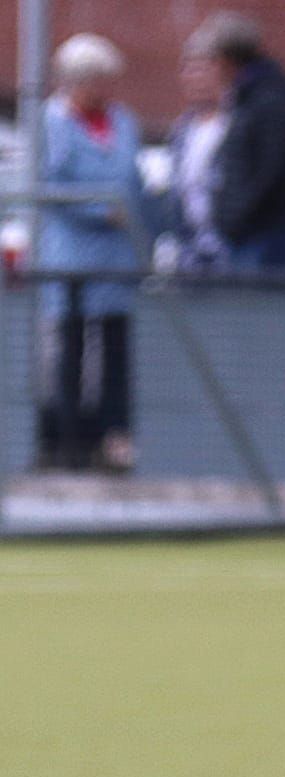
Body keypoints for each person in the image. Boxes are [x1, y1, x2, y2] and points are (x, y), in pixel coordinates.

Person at [38, 33, 144, 472]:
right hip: (72, 257)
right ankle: (68, 443)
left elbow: (134, 179)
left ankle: (113, 436)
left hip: (118, 256)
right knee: (72, 350)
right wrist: (100, 209)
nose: (105, 89)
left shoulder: (123, 120)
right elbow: (50, 185)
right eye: (97, 80)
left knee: (117, 347)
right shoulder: (51, 122)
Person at [192, 12, 285, 271]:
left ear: (226, 59)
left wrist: (236, 217)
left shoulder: (266, 99)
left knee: (257, 297)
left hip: (262, 233)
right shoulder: (248, 96)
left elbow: (269, 169)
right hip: (251, 231)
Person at [165, 44, 230, 272]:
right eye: (189, 70)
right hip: (191, 245)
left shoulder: (234, 123)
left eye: (202, 69)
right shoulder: (182, 129)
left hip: (228, 243)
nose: (195, 78)